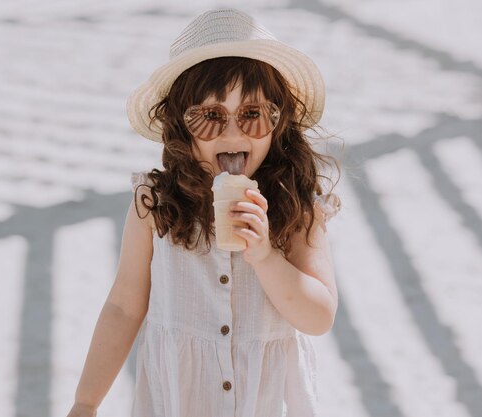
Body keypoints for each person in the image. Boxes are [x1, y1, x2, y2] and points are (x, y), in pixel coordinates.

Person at [67, 8, 342, 417]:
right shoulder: (155, 205)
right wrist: (85, 403)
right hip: (180, 401)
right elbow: (124, 307)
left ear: (279, 121)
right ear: (180, 126)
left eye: (253, 114)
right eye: (210, 117)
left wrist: (266, 255)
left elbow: (318, 317)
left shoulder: (296, 205)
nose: (233, 133)